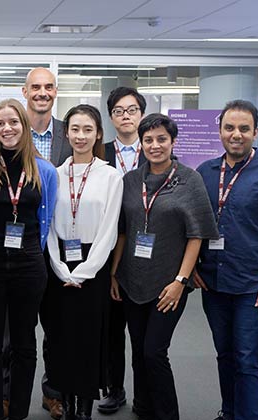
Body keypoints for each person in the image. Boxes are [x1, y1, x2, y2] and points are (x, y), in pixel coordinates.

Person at [110, 113, 218, 420]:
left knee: (154, 351)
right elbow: (123, 230)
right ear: (141, 143)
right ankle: (143, 407)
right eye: (148, 140)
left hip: (169, 283)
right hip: (132, 280)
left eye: (162, 139)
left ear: (172, 141)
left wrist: (181, 280)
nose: (155, 146)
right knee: (138, 348)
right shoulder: (131, 180)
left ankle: (167, 413)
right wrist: (115, 273)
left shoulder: (189, 179)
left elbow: (196, 234)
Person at [194, 100, 258, 420]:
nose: (236, 134)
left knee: (249, 359)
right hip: (214, 282)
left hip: (254, 285)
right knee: (225, 355)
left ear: (256, 133)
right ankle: (230, 412)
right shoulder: (205, 172)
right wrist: (193, 268)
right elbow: (192, 225)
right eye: (229, 128)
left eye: (244, 129)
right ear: (220, 130)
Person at [0, 99, 57, 420]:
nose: (7, 129)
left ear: (24, 125)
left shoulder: (44, 169)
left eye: (13, 122)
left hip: (29, 265)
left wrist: (36, 250)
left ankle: (18, 412)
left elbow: (47, 216)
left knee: (24, 344)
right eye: (0, 123)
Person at [44, 104, 123, 420]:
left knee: (89, 339)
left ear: (98, 134)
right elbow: (47, 223)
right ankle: (64, 402)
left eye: (87, 129)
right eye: (75, 129)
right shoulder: (54, 173)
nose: (80, 136)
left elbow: (110, 229)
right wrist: (59, 266)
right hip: (59, 262)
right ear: (66, 133)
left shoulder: (110, 176)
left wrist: (87, 271)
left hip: (95, 263)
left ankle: (84, 408)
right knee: (60, 338)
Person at [22, 66, 71, 420]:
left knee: (57, 328)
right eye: (36, 87)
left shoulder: (72, 136)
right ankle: (10, 395)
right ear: (25, 91)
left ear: (56, 92)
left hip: (62, 246)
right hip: (19, 247)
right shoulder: (6, 130)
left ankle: (53, 393)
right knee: (14, 330)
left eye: (49, 87)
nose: (43, 92)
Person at [99, 86, 147, 415]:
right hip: (107, 249)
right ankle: (114, 389)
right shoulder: (99, 152)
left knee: (144, 334)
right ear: (111, 116)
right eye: (118, 110)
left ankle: (145, 394)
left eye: (131, 110)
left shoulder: (158, 150)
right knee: (112, 329)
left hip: (148, 254)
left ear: (141, 115)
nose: (125, 115)